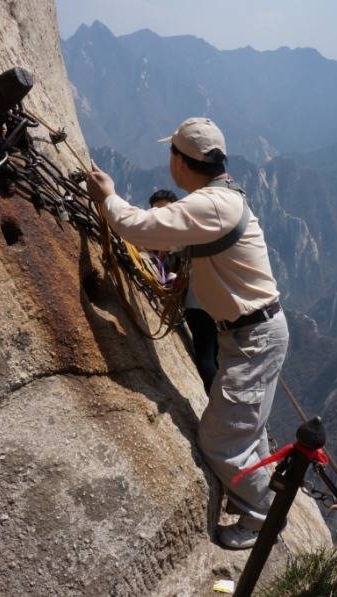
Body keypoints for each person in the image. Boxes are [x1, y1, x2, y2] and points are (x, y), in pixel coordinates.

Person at [86, 117, 288, 550]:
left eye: (171, 154)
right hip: (254, 333)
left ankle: (262, 516)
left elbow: (138, 227)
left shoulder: (211, 206)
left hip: (252, 337)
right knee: (245, 428)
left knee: (219, 438)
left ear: (181, 160)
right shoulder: (220, 197)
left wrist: (107, 198)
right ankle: (256, 493)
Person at [146, 189, 220, 395]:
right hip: (219, 302)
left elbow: (170, 259)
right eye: (156, 211)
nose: (161, 216)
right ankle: (225, 404)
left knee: (207, 357)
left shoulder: (180, 233)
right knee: (215, 356)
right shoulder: (194, 231)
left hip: (199, 304)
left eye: (165, 210)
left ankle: (218, 403)